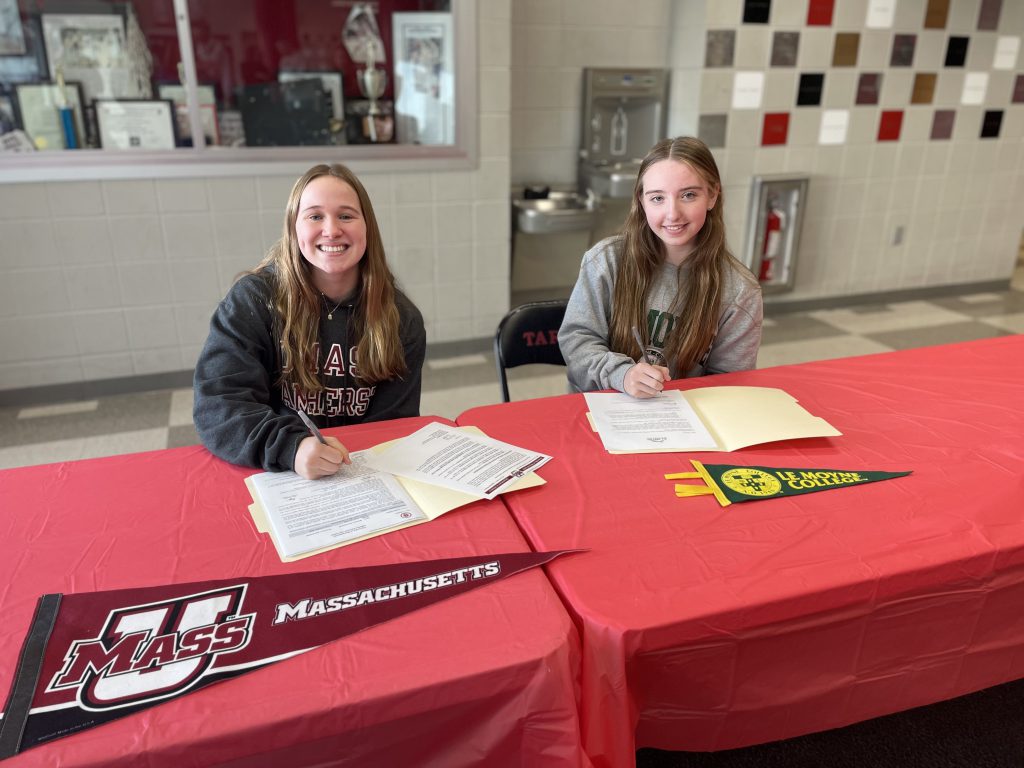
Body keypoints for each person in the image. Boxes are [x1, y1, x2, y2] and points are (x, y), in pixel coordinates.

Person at [194, 163, 426, 479]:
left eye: (346, 215)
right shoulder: (254, 300)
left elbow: (395, 425)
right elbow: (219, 406)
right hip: (278, 467)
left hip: (361, 474)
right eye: (315, 216)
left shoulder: (400, 318)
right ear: (294, 228)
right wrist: (292, 447)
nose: (331, 230)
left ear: (367, 227)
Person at [558, 136, 762, 398]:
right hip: (597, 411)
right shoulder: (606, 261)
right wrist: (623, 375)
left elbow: (731, 384)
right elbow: (577, 340)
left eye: (688, 195)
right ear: (641, 201)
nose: (673, 213)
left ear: (712, 195)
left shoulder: (739, 291)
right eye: (657, 198)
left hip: (686, 422)